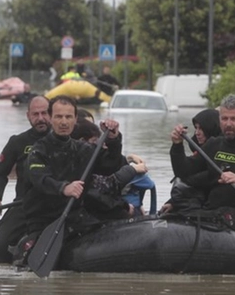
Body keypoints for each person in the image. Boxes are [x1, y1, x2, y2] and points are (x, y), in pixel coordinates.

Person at [17, 96, 144, 255]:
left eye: (68, 117)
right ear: (50, 118)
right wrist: (64, 188)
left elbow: (110, 165)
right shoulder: (38, 151)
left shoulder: (84, 149)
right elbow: (40, 179)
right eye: (59, 117)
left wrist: (113, 140)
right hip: (45, 221)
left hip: (76, 218)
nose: (64, 122)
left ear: (75, 119)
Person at [165, 94, 235, 231]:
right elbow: (184, 171)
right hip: (212, 210)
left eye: (234, 119)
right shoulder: (213, 145)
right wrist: (177, 146)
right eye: (224, 119)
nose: (228, 124)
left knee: (222, 216)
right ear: (219, 120)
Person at [0, 95, 51, 263]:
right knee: (1, 246)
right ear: (28, 116)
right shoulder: (17, 142)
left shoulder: (65, 140)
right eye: (35, 114)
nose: (41, 118)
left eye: (44, 113)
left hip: (55, 204)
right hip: (24, 204)